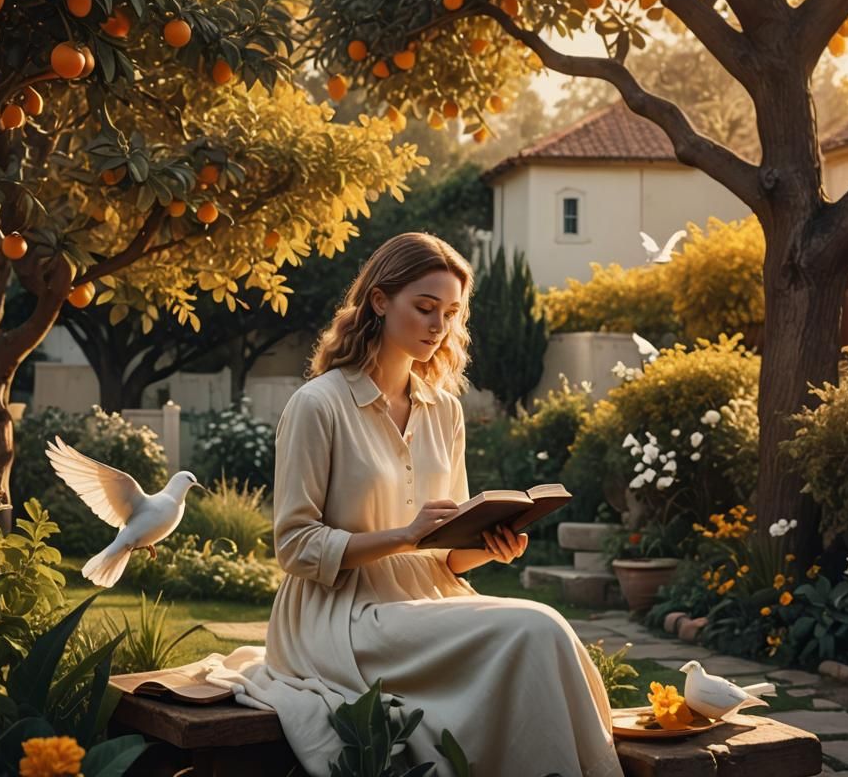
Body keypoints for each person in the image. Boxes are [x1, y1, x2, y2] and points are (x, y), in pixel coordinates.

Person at [191, 232, 623, 777]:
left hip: (428, 601)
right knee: (534, 627)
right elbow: (295, 548)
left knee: (544, 629)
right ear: (379, 301)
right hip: (340, 617)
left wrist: (489, 546)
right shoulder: (318, 405)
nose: (438, 327)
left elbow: (448, 555)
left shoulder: (444, 409)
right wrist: (406, 536)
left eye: (450, 313)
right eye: (424, 308)